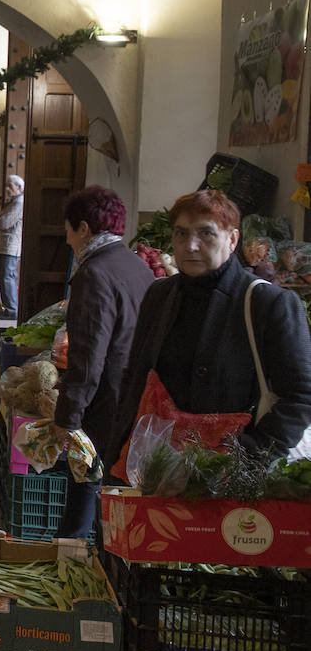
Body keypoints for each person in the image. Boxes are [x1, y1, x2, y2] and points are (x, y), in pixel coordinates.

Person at [110, 189, 311, 468]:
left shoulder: (268, 303)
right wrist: (118, 451)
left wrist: (248, 457)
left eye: (206, 234)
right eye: (181, 234)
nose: (191, 245)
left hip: (236, 475)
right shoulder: (159, 296)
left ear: (232, 240)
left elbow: (301, 396)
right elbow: (136, 378)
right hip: (157, 468)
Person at [48, 187, 154, 538]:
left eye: (67, 231)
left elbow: (88, 356)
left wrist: (68, 417)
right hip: (133, 396)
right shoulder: (135, 265)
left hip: (105, 401)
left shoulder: (94, 274)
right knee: (109, 488)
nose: (66, 240)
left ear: (83, 228)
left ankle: (70, 559)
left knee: (85, 485)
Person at [0, 175, 24, 321]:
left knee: (7, 278)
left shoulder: (18, 203)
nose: (7, 188)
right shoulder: (11, 202)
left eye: (10, 186)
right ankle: (9, 309)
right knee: (6, 278)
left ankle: (11, 310)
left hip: (11, 247)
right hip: (6, 246)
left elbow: (3, 223)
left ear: (19, 188)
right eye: (6, 185)